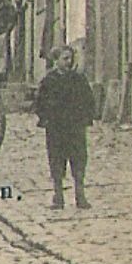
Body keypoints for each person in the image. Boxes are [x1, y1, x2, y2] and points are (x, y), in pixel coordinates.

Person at [34, 44, 96, 209]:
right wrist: (45, 119)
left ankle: (80, 196)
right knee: (56, 160)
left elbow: (89, 100)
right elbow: (39, 103)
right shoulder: (49, 81)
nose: (69, 62)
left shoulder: (78, 79)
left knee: (79, 159)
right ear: (56, 60)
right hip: (56, 128)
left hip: (75, 127)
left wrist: (86, 118)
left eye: (70, 58)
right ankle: (58, 196)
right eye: (65, 59)